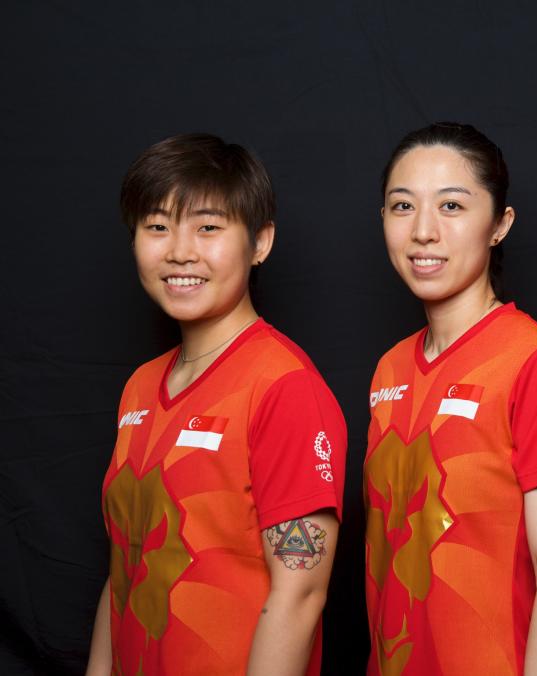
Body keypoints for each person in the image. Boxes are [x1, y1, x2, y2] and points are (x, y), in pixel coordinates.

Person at [86, 133, 347, 676]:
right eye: (158, 227)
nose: (180, 251)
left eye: (208, 227)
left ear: (260, 242)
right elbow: (124, 572)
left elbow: (299, 595)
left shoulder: (284, 386)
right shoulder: (139, 387)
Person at [364, 122, 537, 676]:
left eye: (452, 207)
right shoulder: (389, 368)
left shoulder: (535, 361)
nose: (423, 231)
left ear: (499, 225)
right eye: (402, 206)